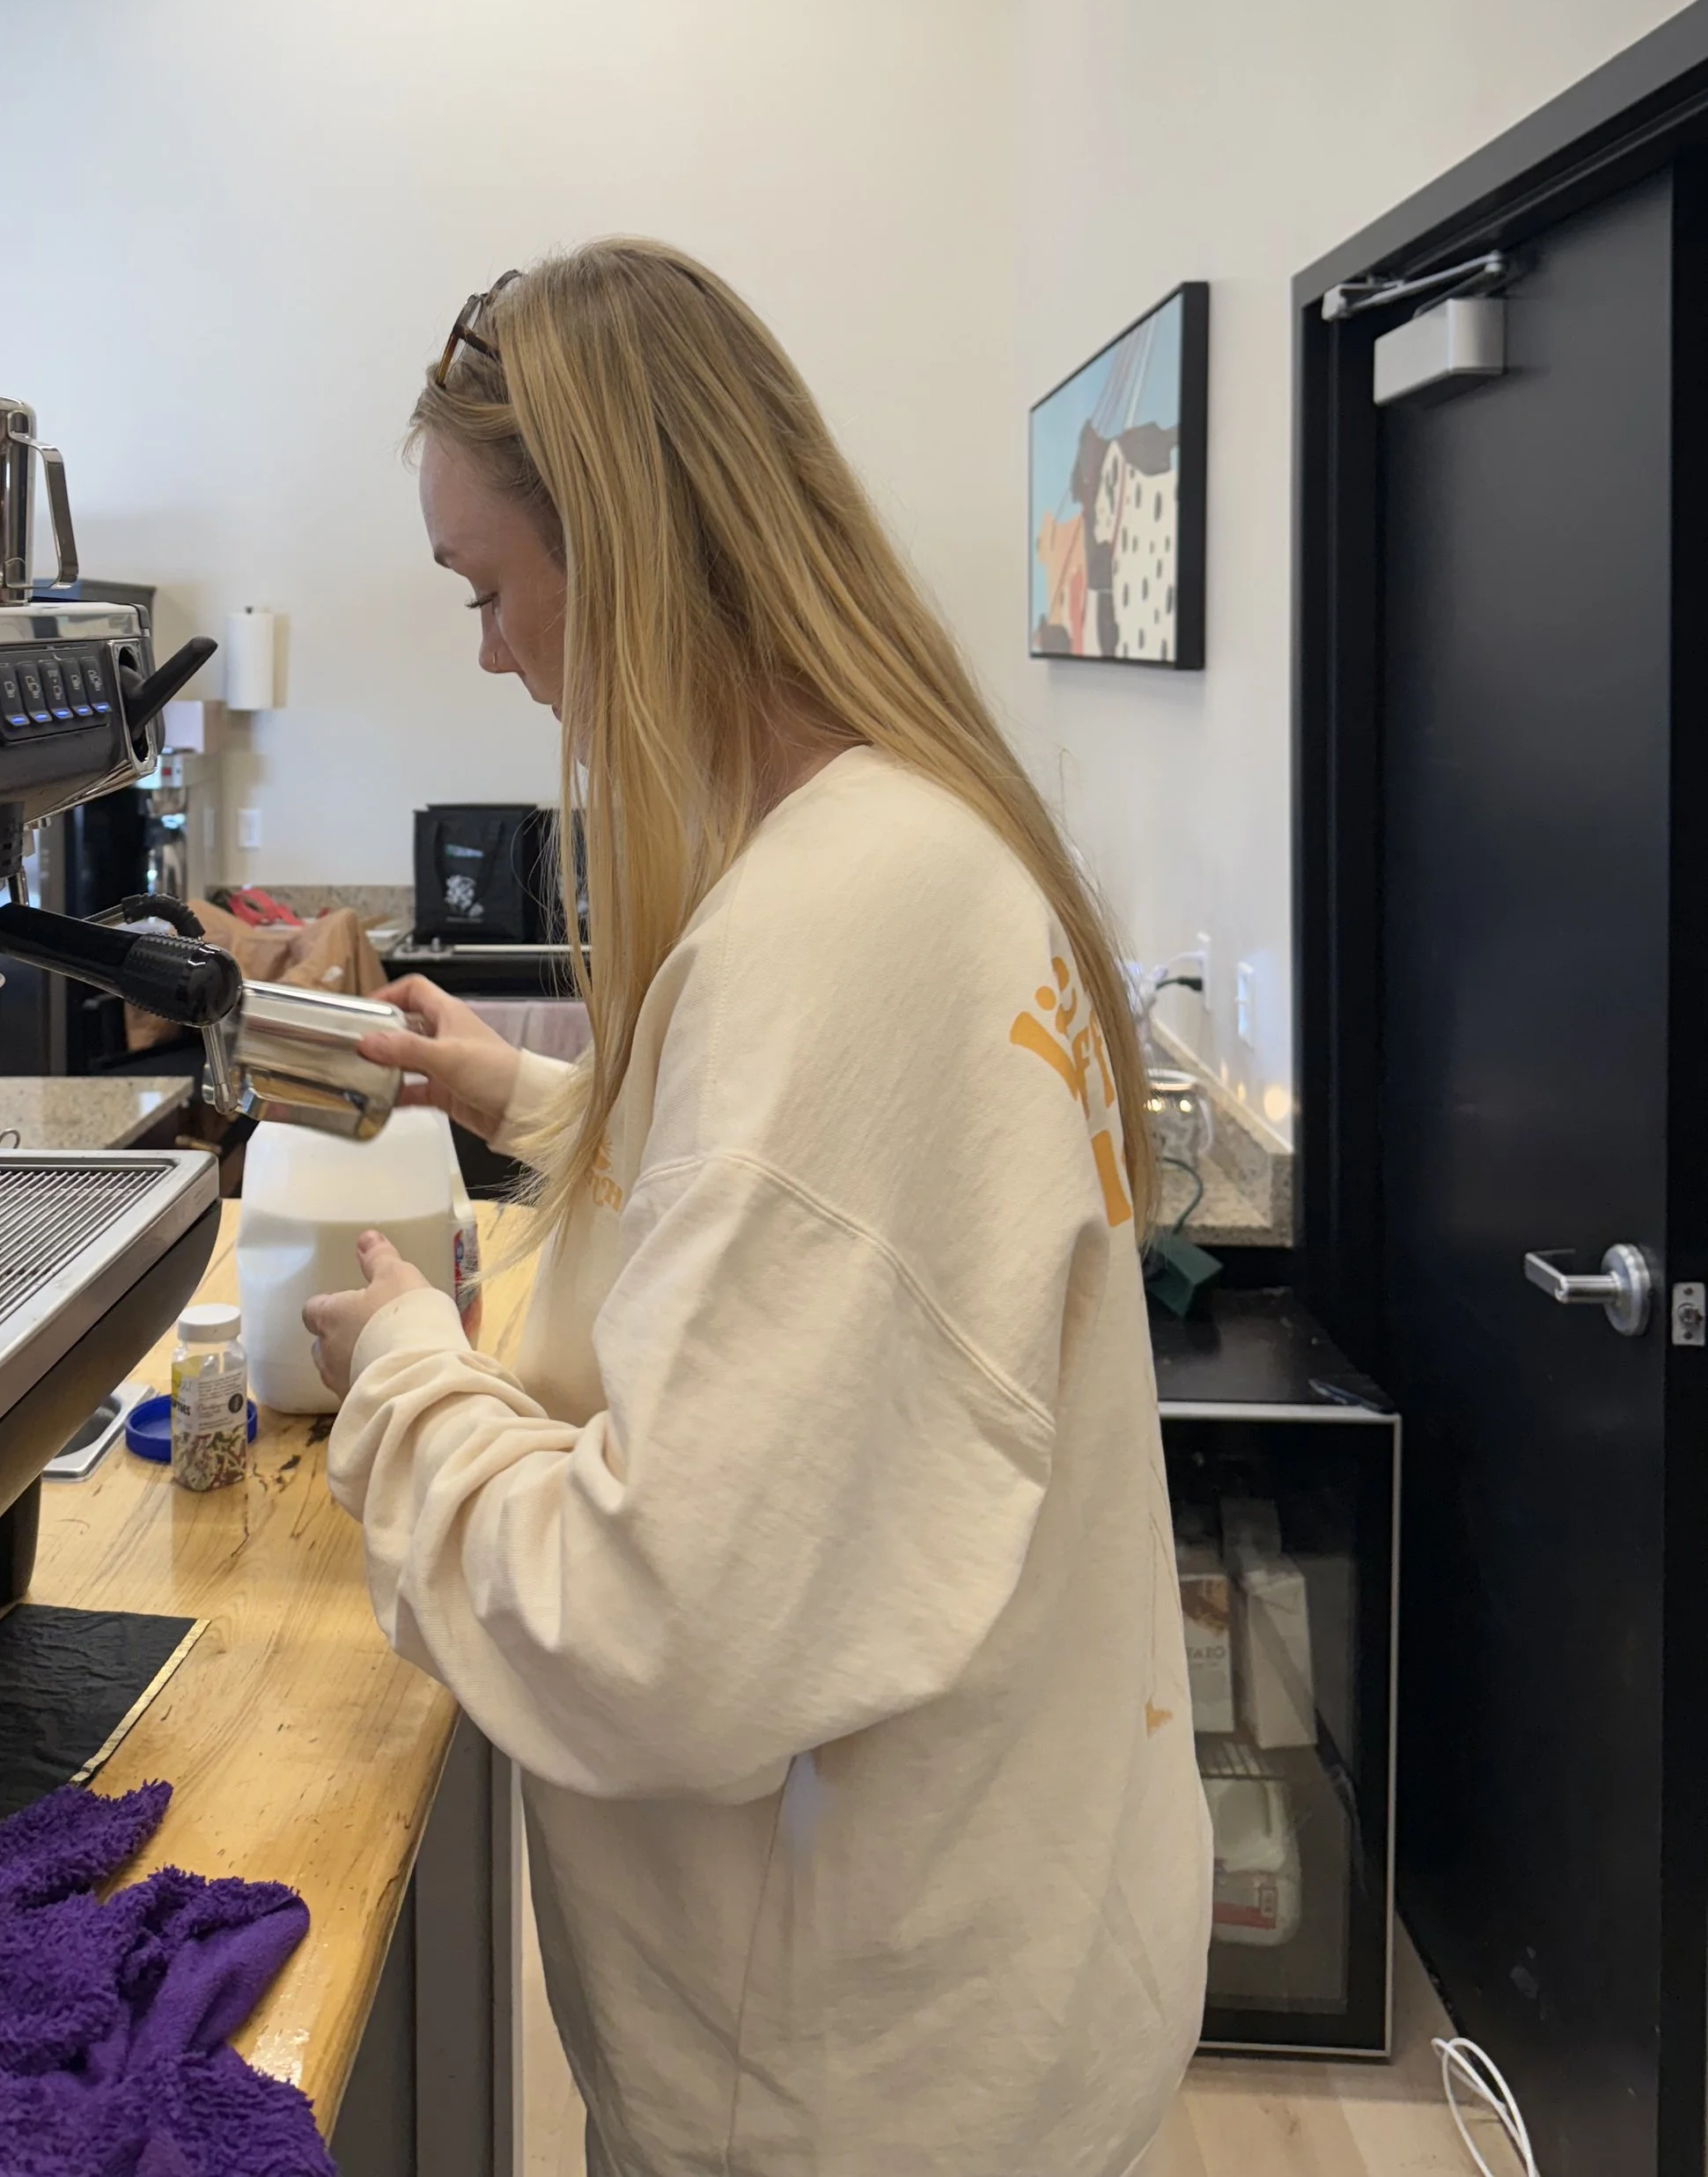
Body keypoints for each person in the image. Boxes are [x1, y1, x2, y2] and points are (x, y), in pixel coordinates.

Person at [302, 242, 1211, 2177]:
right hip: (997, 1983)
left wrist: (401, 1373)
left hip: (857, 2083)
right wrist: (520, 1090)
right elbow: (798, 1217)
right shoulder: (904, 844)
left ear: (616, 548)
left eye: (486, 586)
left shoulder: (835, 932)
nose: (487, 651)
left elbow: (659, 1635)